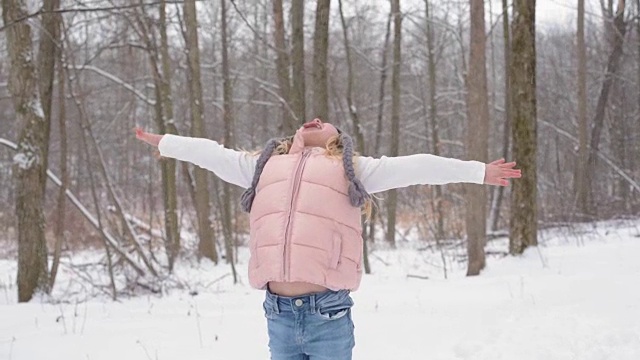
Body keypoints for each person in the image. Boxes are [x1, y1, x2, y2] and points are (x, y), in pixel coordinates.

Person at [135, 118, 520, 360]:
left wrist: (478, 171)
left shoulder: (352, 170)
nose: (315, 119)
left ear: (338, 139)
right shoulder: (263, 166)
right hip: (278, 315)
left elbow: (417, 166)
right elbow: (209, 153)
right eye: (308, 120)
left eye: (325, 121)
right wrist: (166, 142)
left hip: (328, 314)